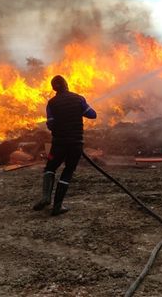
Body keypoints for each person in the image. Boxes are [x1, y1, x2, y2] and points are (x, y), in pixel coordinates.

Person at [33, 75, 97, 216]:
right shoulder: (78, 99)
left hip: (59, 144)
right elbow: (93, 115)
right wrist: (81, 110)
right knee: (68, 171)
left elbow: (50, 124)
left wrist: (58, 129)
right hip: (76, 144)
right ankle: (58, 206)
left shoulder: (52, 103)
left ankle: (45, 197)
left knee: (50, 167)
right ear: (66, 84)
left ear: (53, 88)